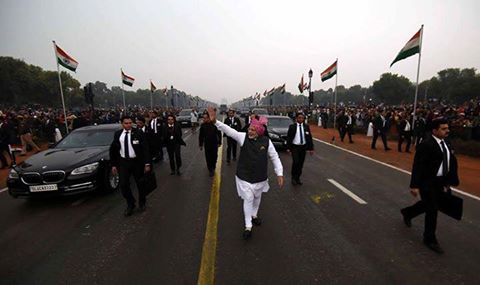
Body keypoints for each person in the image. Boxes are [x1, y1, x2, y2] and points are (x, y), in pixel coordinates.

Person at [208, 107, 284, 240]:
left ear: (259, 131)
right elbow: (230, 131)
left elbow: (275, 157)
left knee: (257, 197)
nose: (250, 131)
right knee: (248, 198)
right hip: (244, 176)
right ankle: (248, 226)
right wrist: (215, 122)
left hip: (260, 177)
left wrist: (280, 173)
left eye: (253, 130)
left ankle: (254, 215)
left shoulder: (267, 142)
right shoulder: (243, 138)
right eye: (249, 129)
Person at [400, 118, 459, 254]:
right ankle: (429, 239)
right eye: (443, 129)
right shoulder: (426, 144)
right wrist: (414, 185)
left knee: (428, 205)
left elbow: (450, 162)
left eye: (447, 128)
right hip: (428, 182)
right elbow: (418, 165)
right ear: (434, 130)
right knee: (432, 209)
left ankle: (408, 213)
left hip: (441, 181)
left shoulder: (447, 143)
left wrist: (449, 181)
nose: (447, 130)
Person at [110, 115, 152, 216]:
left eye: (130, 123)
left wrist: (147, 163)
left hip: (137, 162)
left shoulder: (138, 133)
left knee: (140, 184)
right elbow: (113, 150)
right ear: (122, 124)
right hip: (124, 162)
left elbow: (145, 148)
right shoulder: (118, 134)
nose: (128, 125)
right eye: (126, 123)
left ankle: (142, 202)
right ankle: (130, 204)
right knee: (123, 185)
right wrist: (114, 165)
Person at [286, 112, 314, 185]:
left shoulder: (306, 127)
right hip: (295, 147)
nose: (301, 119)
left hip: (303, 147)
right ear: (296, 118)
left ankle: (297, 178)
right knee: (296, 162)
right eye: (299, 118)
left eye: (302, 118)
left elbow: (309, 138)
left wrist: (311, 148)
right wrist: (288, 148)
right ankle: (293, 178)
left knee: (301, 164)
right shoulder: (292, 127)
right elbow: (289, 138)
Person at [199, 112, 222, 177]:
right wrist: (200, 144)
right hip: (207, 144)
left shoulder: (214, 125)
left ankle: (213, 166)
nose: (204, 119)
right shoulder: (203, 126)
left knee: (214, 156)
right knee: (208, 157)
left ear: (209, 118)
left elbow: (219, 134)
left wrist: (219, 142)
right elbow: (201, 136)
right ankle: (210, 170)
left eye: (206, 118)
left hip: (214, 144)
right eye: (204, 118)